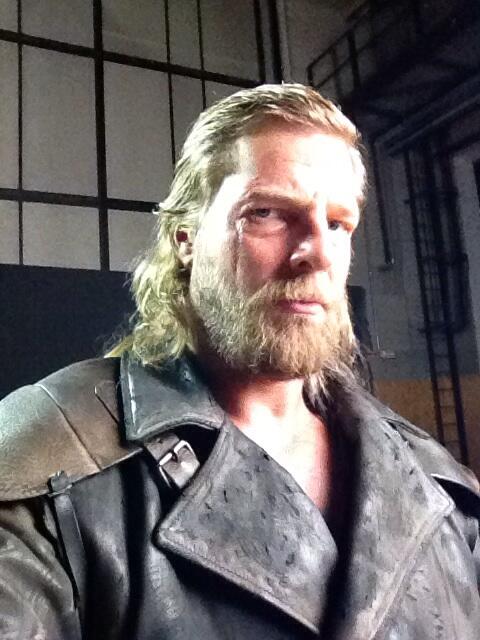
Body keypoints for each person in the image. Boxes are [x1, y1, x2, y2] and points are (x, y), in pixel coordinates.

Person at [0, 84, 479, 640]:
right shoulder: (48, 457)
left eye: (337, 223)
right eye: (267, 213)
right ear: (186, 238)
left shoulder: (441, 485)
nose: (318, 253)